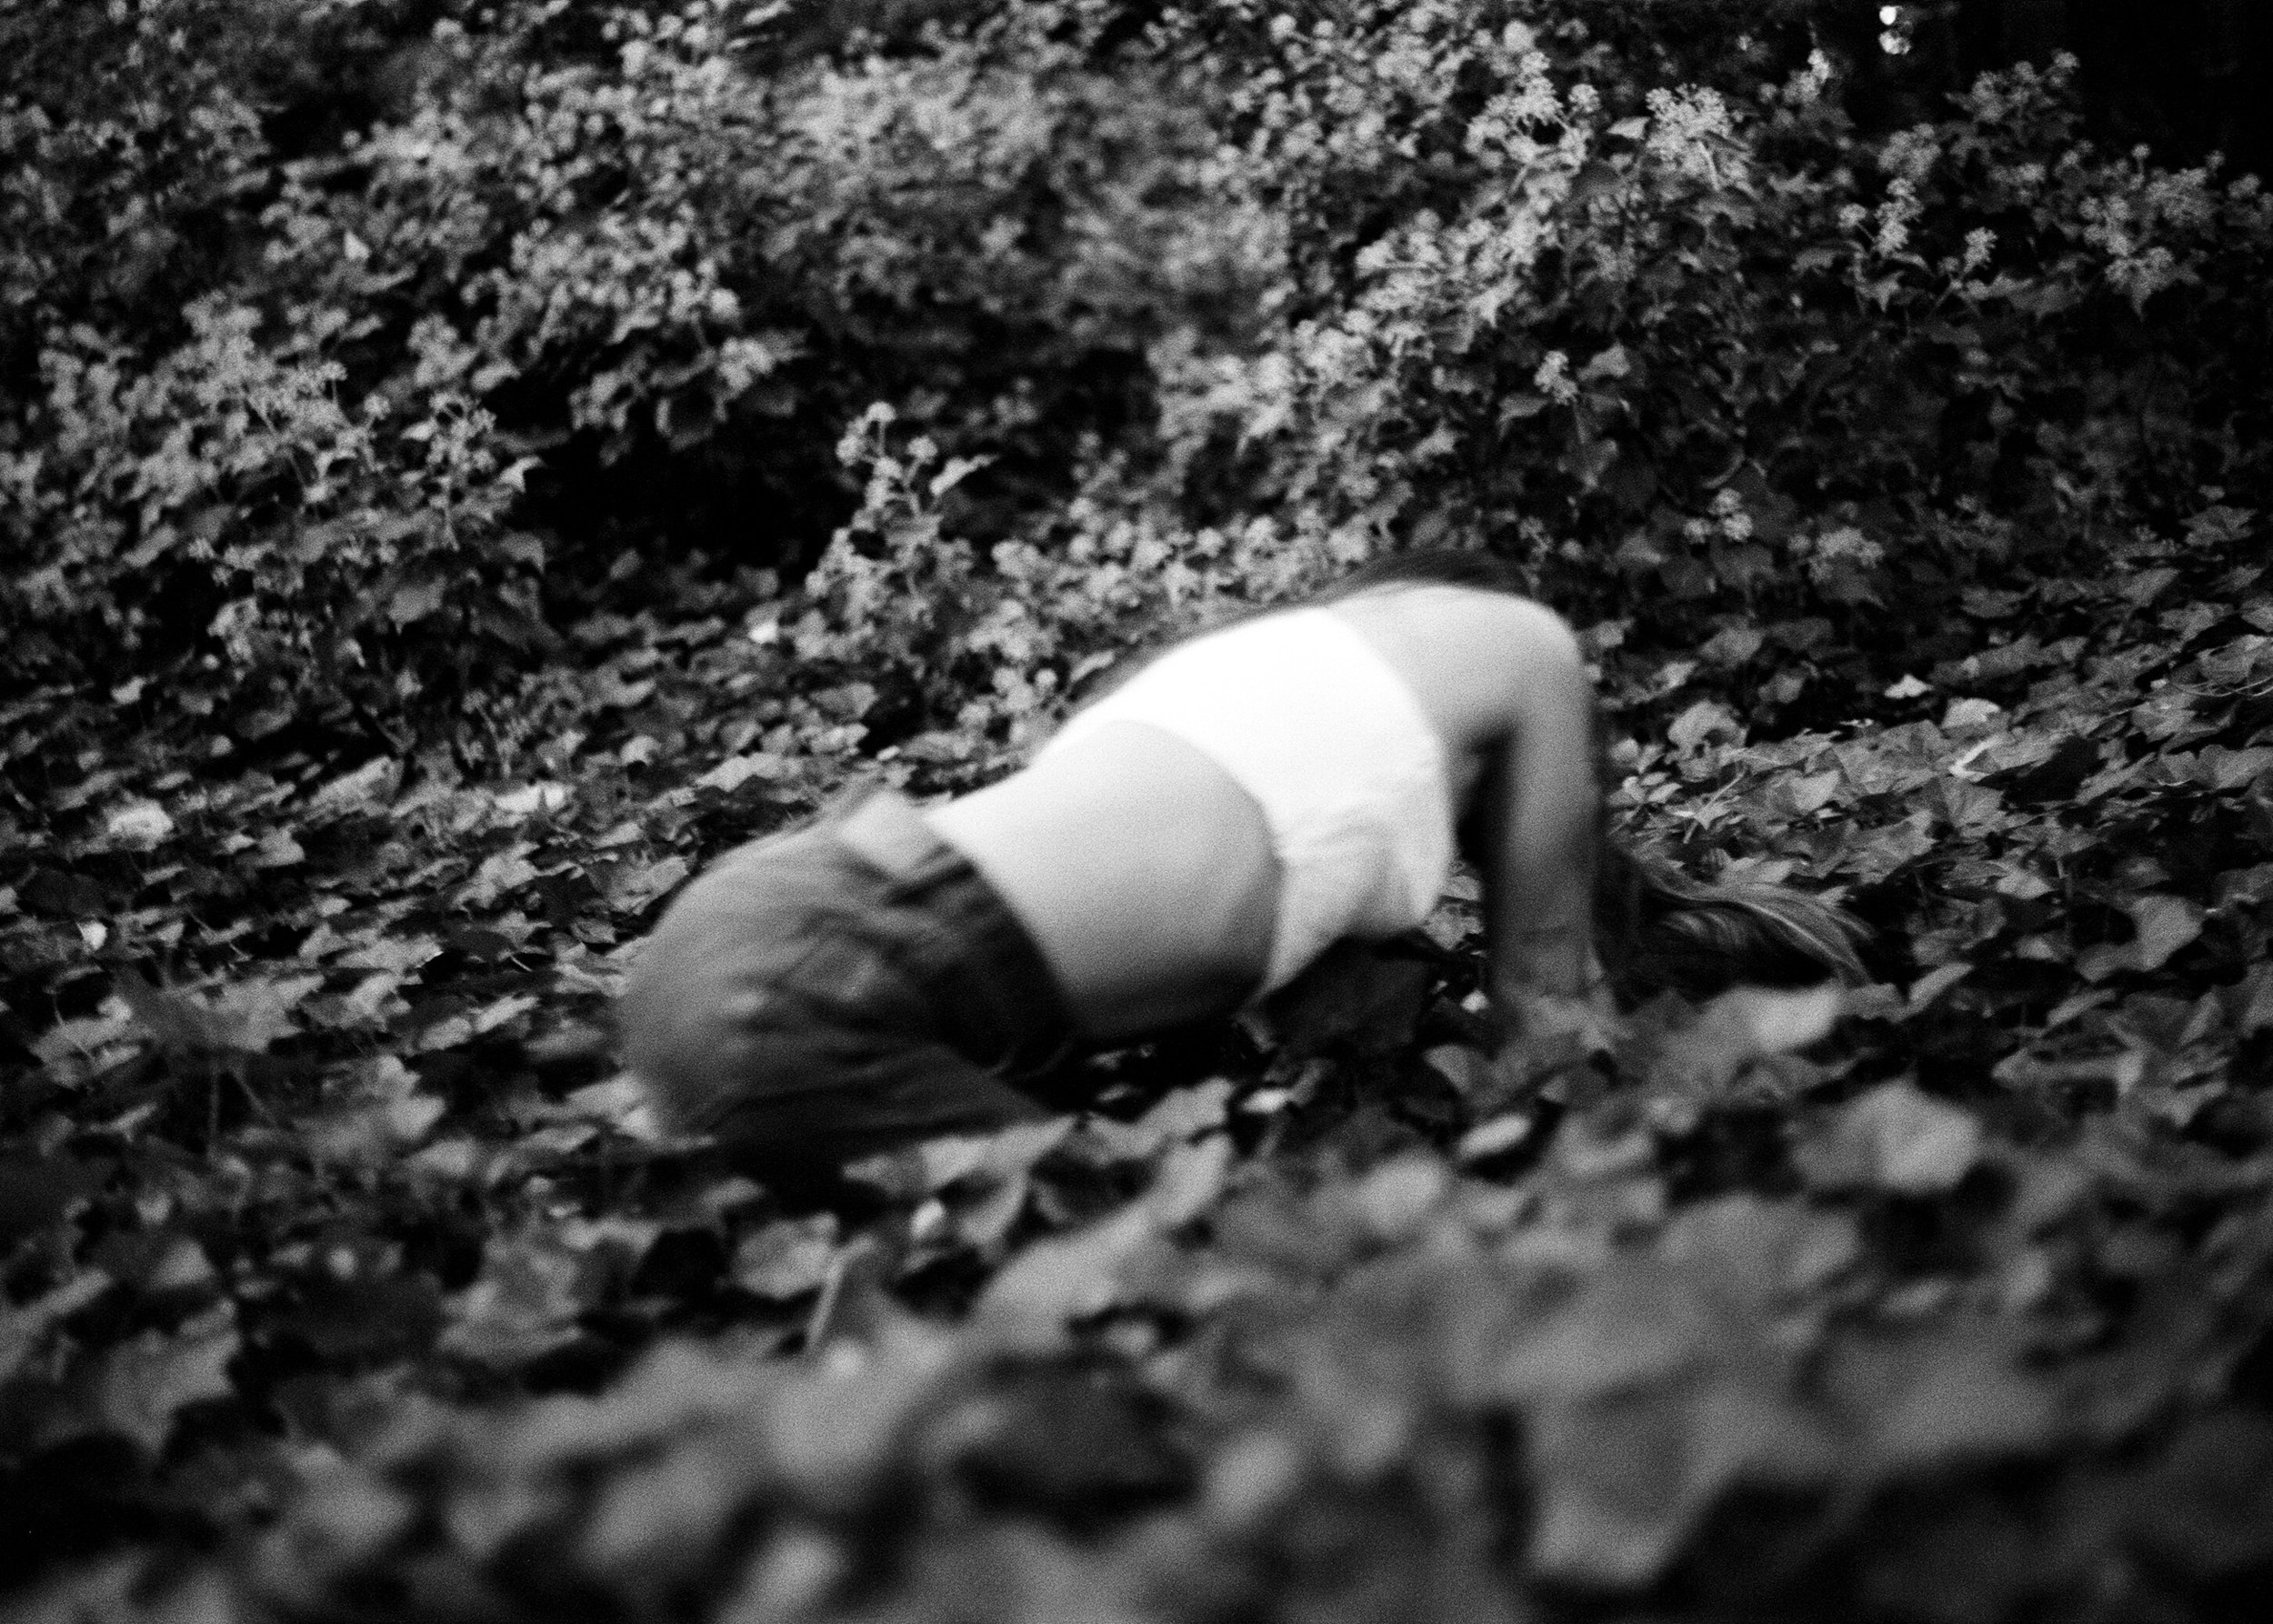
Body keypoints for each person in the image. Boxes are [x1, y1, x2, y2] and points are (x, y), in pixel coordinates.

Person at [617, 549, 1867, 1167]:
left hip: (763, 917)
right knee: (1135, 1318)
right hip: (820, 985)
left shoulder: (1231, 682)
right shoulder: (1521, 642)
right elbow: (1549, 1011)